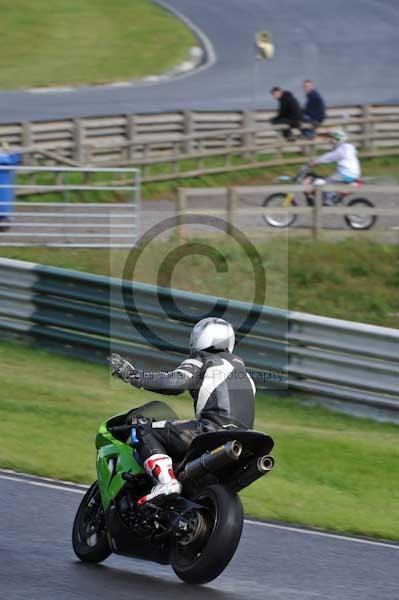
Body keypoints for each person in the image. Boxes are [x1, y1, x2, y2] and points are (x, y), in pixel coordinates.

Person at [109, 317, 256, 505]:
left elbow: (174, 383)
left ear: (200, 338)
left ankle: (166, 482)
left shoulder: (204, 359)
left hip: (212, 432)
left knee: (143, 430)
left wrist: (133, 376)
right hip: (245, 440)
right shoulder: (245, 374)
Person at [310, 129, 361, 205]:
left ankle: (328, 201)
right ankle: (336, 196)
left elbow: (329, 157)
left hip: (346, 173)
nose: (331, 142)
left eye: (332, 140)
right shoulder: (349, 147)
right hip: (355, 173)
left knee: (327, 182)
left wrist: (316, 161)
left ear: (337, 140)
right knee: (332, 180)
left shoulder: (341, 149)